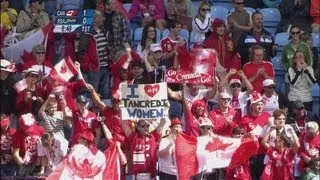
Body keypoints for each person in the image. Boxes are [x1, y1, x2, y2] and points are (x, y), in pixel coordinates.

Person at [237, 91, 272, 179]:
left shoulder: (268, 116)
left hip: (264, 152)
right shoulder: (245, 119)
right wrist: (248, 135)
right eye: (257, 104)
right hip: (251, 154)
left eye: (261, 104)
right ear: (252, 106)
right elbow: (241, 136)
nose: (260, 106)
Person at [78, 11, 111, 99]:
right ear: (94, 19)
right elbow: (82, 52)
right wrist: (88, 66)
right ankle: (92, 111)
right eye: (100, 17)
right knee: (93, 92)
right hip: (94, 68)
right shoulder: (86, 33)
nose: (102, 19)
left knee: (105, 92)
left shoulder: (104, 31)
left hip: (105, 66)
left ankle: (105, 111)